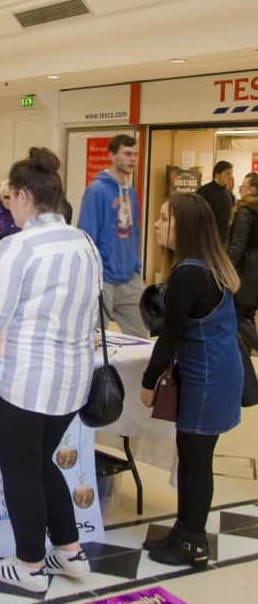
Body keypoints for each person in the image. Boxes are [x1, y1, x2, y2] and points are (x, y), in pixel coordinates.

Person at [0, 148, 100, 593]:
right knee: (41, 462)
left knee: (20, 471)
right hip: (72, 381)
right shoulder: (84, 242)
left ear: (21, 196)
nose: (7, 208)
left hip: (23, 382)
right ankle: (71, 552)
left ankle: (30, 563)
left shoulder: (15, 247)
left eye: (9, 200)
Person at [140, 194, 242, 569]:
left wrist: (149, 382)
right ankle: (184, 530)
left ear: (183, 226)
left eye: (164, 218)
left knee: (197, 460)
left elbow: (169, 336)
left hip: (207, 379)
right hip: (218, 373)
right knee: (193, 456)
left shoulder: (189, 273)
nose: (156, 224)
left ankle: (193, 542)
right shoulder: (208, 267)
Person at [78, 133, 146, 337]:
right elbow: (87, 236)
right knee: (95, 338)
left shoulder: (131, 192)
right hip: (103, 278)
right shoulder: (97, 190)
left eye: (135, 154)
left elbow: (134, 231)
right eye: (127, 154)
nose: (132, 159)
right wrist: (94, 274)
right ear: (112, 155)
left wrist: (136, 266)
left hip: (129, 279)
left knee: (142, 337)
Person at [227, 172, 258, 330]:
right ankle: (245, 353)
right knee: (248, 315)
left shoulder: (245, 211)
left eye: (242, 187)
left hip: (245, 270)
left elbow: (238, 245)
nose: (240, 191)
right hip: (254, 271)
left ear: (251, 190)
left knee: (237, 317)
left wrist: (225, 268)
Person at [196, 160, 234, 244]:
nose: (230, 176)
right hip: (207, 241)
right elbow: (196, 216)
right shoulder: (203, 191)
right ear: (217, 174)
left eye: (231, 173)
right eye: (228, 173)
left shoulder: (229, 194)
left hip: (224, 241)